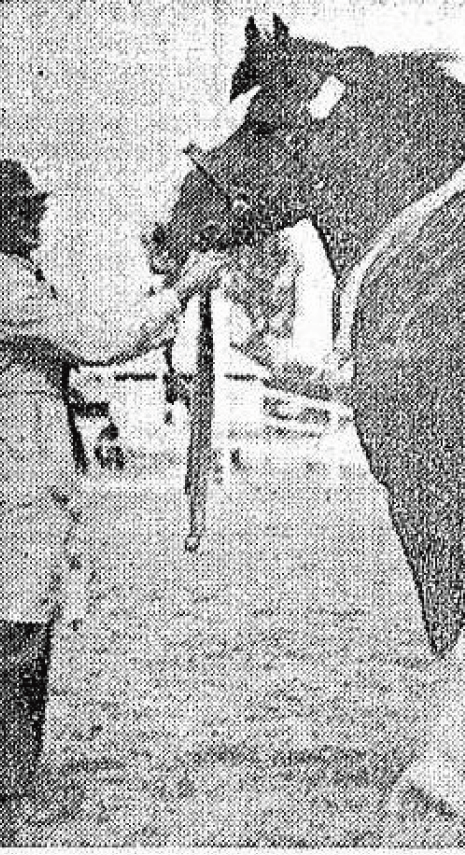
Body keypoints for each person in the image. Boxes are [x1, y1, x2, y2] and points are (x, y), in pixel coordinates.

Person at [0, 159, 225, 841]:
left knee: (25, 626)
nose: (35, 220)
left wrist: (162, 301)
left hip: (30, 479)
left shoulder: (23, 281)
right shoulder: (8, 284)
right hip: (16, 483)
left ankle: (14, 780)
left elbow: (88, 338)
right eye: (21, 210)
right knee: (16, 633)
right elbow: (96, 339)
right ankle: (8, 790)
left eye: (34, 208)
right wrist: (180, 291)